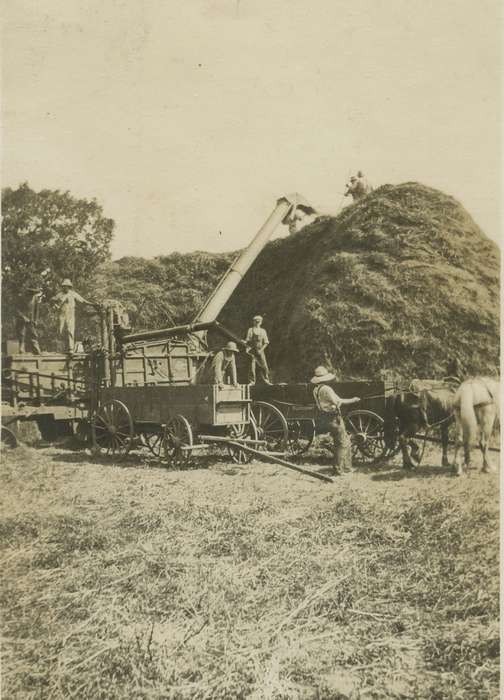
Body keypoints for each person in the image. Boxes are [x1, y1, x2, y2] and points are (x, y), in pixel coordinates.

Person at [311, 365, 360, 475]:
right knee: (342, 443)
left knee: (343, 441)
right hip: (334, 418)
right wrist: (353, 400)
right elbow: (337, 401)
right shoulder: (327, 389)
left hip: (325, 417)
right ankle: (338, 469)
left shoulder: (315, 390)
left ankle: (347, 467)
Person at [55, 279, 96, 353]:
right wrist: (55, 305)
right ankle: (61, 349)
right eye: (63, 286)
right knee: (60, 331)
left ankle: (70, 349)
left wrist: (92, 304)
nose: (65, 288)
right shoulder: (60, 294)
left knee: (70, 330)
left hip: (70, 315)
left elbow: (83, 301)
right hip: (62, 315)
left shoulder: (73, 294)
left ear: (69, 287)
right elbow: (53, 300)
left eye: (66, 286)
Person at [16, 285, 43, 354]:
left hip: (31, 319)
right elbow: (17, 310)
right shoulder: (21, 298)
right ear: (28, 292)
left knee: (33, 334)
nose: (32, 294)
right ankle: (21, 348)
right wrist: (23, 317)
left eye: (34, 292)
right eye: (31, 292)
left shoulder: (36, 299)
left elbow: (36, 310)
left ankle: (36, 349)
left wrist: (36, 320)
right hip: (22, 319)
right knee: (22, 333)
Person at [245, 315, 271, 385]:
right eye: (256, 321)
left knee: (264, 365)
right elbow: (248, 340)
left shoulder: (263, 331)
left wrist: (261, 350)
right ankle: (252, 381)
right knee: (251, 366)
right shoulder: (250, 330)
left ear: (261, 322)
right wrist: (247, 347)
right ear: (253, 322)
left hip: (260, 350)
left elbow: (266, 342)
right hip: (252, 350)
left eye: (258, 322)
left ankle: (266, 379)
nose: (257, 323)